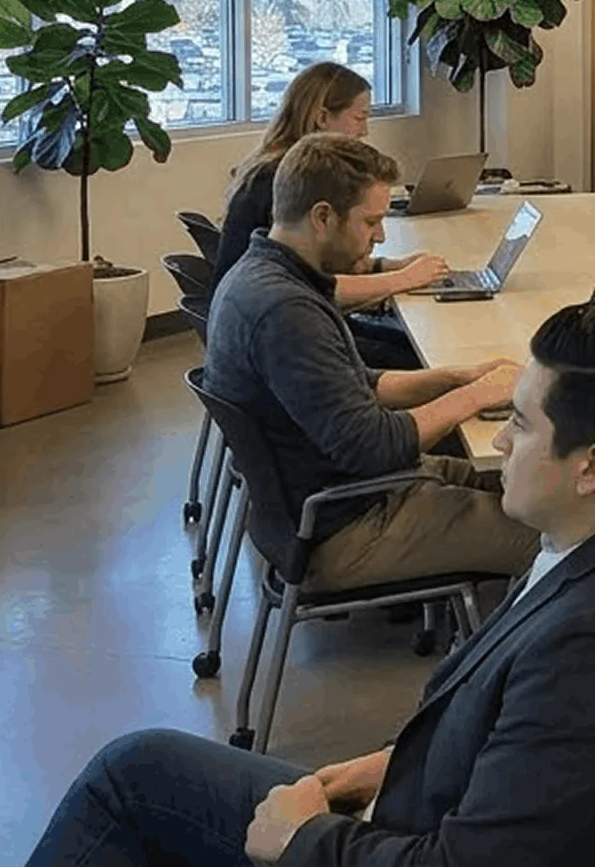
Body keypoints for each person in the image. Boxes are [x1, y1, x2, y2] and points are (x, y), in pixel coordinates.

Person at [25, 294, 595, 867]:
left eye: (518, 422)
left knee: (130, 782)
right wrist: (389, 762)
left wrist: (306, 840)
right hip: (411, 804)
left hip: (399, 842)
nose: (501, 441)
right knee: (141, 769)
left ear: (591, 467)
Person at [203, 134, 536, 592]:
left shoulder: (267, 275)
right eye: (371, 222)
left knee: (532, 488)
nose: (380, 235)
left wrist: (456, 378)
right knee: (565, 538)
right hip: (342, 527)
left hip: (333, 501)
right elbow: (373, 446)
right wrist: (474, 396)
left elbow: (359, 385)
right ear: (322, 217)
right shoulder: (284, 311)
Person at [213, 62, 450, 370]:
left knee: (410, 344)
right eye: (360, 118)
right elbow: (311, 286)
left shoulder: (279, 166)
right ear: (323, 118)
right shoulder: (285, 180)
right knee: (422, 355)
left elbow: (314, 269)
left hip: (265, 324)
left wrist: (388, 266)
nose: (364, 132)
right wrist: (401, 279)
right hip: (277, 333)